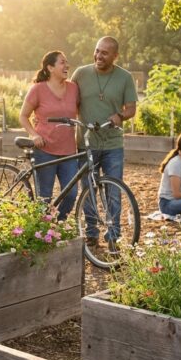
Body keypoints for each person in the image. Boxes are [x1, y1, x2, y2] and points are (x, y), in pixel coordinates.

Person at [71, 36, 137, 247]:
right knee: (88, 188)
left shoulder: (125, 77)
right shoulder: (80, 74)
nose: (99, 56)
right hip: (86, 142)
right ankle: (91, 232)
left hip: (112, 144)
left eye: (104, 53)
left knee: (113, 190)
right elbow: (68, 101)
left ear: (115, 56)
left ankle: (113, 235)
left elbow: (131, 109)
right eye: (97, 51)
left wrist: (120, 116)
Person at [19, 51, 80, 220]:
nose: (66, 65)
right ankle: (43, 231)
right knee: (44, 197)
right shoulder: (38, 89)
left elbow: (82, 111)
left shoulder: (73, 88)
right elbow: (23, 116)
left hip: (68, 150)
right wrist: (33, 135)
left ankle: (58, 226)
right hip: (45, 149)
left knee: (71, 193)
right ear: (50, 67)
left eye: (67, 62)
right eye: (62, 62)